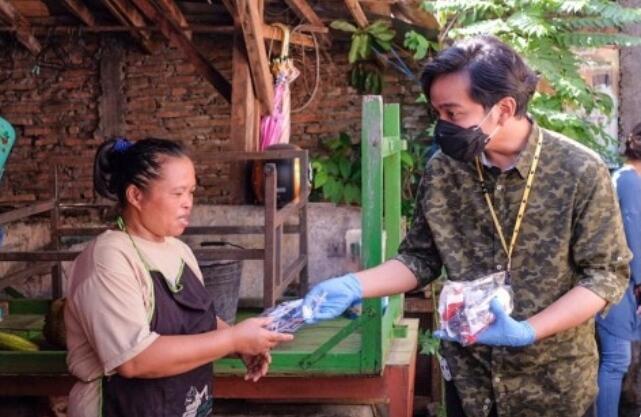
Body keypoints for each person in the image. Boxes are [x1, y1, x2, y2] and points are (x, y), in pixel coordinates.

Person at [302, 36, 631, 417]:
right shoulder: (445, 169)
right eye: (436, 112)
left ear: (503, 109)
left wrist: (529, 330)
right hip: (471, 386)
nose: (441, 125)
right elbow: (420, 258)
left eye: (452, 113)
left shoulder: (579, 171)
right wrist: (354, 285)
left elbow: (604, 276)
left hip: (554, 386)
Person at [65, 137, 293, 417]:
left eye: (191, 193)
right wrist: (232, 339)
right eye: (177, 193)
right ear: (136, 196)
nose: (188, 204)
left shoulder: (179, 250)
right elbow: (136, 360)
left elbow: (199, 321)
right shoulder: (109, 257)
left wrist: (241, 345)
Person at [595, 123, 641, 417]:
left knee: (615, 360)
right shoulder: (629, 181)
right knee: (615, 360)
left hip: (618, 281)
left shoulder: (622, 177)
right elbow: (633, 236)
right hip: (617, 282)